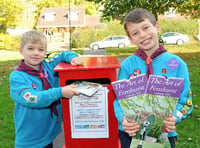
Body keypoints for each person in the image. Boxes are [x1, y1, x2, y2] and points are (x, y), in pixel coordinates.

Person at [113, 8, 193, 148]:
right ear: (131, 39)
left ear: (157, 27)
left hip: (164, 134)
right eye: (135, 33)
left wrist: (175, 116)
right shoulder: (127, 65)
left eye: (146, 28)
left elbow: (185, 100)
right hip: (131, 134)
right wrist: (123, 119)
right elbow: (119, 100)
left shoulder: (177, 64)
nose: (143, 35)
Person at [9, 30, 83, 148]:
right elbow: (32, 98)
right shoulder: (17, 77)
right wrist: (60, 92)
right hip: (30, 139)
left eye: (41, 49)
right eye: (31, 48)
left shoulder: (48, 66)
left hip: (48, 133)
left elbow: (64, 54)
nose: (36, 53)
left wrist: (73, 58)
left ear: (45, 52)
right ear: (21, 51)